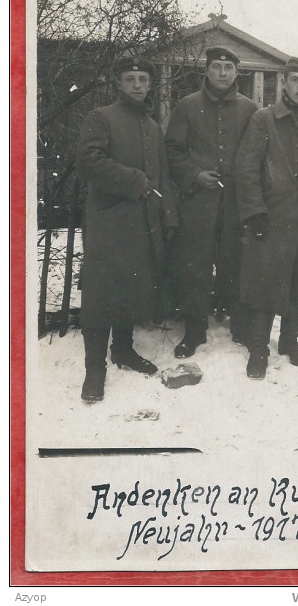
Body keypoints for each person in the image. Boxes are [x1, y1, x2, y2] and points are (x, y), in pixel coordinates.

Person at [76, 56, 178, 403]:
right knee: (100, 293)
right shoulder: (101, 117)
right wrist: (133, 180)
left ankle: (122, 350)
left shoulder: (152, 126)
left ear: (151, 85)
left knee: (131, 288)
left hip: (143, 223)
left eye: (143, 80)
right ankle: (94, 369)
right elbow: (89, 161)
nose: (137, 85)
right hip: (109, 221)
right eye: (130, 79)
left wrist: (168, 214)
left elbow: (162, 175)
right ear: (118, 83)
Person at [234, 57, 298, 380]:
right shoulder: (265, 120)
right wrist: (255, 212)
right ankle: (259, 347)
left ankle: (289, 341)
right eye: (295, 81)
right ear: (283, 84)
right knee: (265, 281)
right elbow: (246, 169)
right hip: (273, 217)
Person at [165, 46, 257, 358]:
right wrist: (194, 175)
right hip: (197, 202)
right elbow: (173, 151)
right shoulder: (187, 106)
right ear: (207, 70)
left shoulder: (249, 109)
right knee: (196, 266)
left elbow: (256, 154)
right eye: (216, 67)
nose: (221, 73)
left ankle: (240, 325)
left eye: (227, 68)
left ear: (236, 73)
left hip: (235, 202)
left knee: (236, 262)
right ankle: (194, 330)